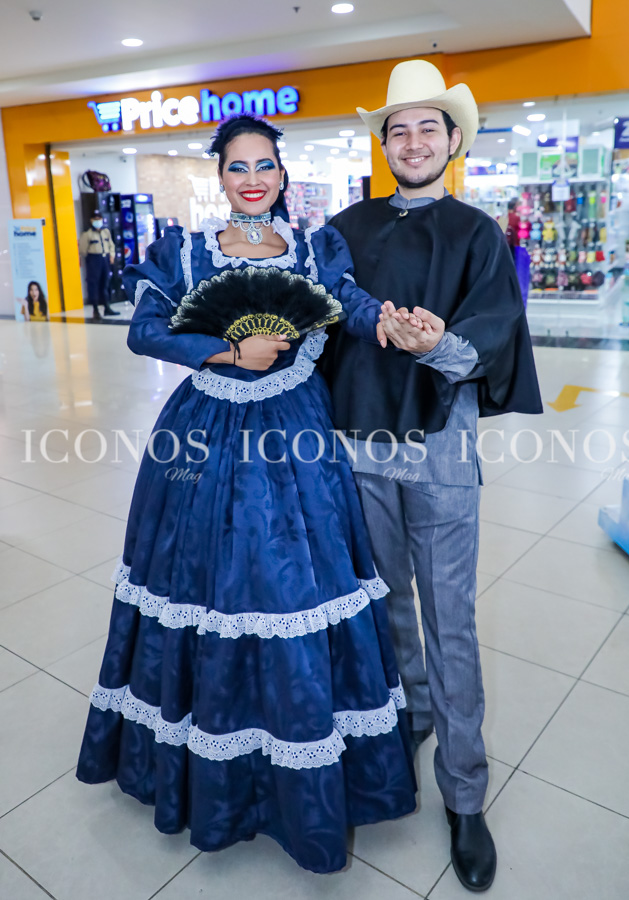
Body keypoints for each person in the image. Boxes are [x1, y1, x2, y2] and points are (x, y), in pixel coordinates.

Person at [76, 114, 417, 874]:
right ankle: (217, 773)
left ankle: (300, 759)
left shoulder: (316, 248)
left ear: (283, 175)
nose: (254, 179)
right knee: (205, 582)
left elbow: (348, 305)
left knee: (298, 583)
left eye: (266, 165)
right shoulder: (186, 251)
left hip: (297, 430)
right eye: (239, 167)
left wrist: (386, 323)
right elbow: (146, 330)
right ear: (220, 176)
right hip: (203, 435)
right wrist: (230, 350)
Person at [322, 59, 542, 892]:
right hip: (354, 446)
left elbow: (491, 327)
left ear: (453, 141)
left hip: (440, 450)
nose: (411, 141)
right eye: (397, 128)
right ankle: (409, 715)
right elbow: (323, 319)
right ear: (383, 143)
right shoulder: (343, 228)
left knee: (451, 618)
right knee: (384, 605)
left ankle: (465, 792)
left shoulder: (478, 233)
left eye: (427, 127)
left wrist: (434, 345)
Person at [79, 210, 120, 319]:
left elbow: (111, 245)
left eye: (99, 219)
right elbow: (83, 250)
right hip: (93, 259)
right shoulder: (87, 234)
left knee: (105, 283)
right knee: (94, 284)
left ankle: (107, 307)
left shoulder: (105, 232)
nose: (98, 221)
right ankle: (95, 309)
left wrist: (112, 255)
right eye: (95, 219)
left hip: (105, 259)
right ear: (91, 220)